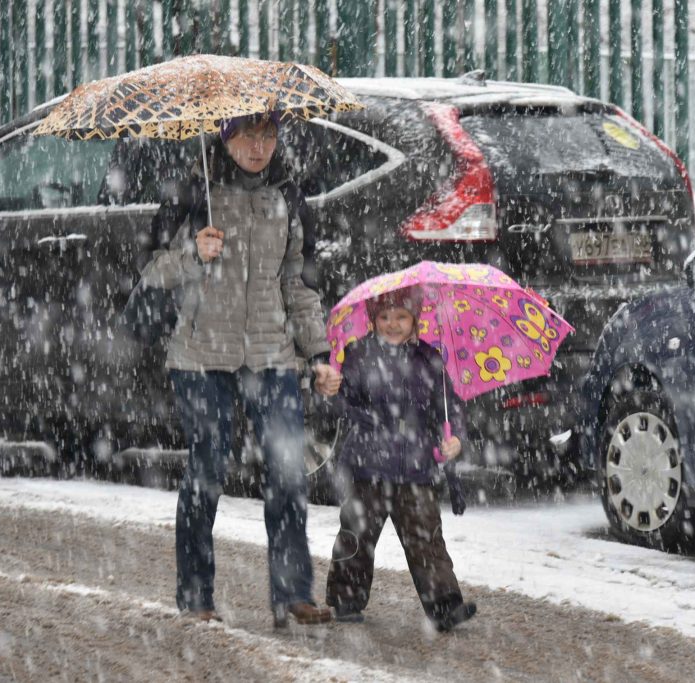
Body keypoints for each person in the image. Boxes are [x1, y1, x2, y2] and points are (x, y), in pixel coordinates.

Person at [139, 113, 342, 628]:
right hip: (203, 357)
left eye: (268, 135)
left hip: (272, 354)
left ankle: (293, 593)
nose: (259, 146)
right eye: (248, 135)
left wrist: (318, 354)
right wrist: (193, 253)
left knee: (288, 472)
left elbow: (299, 283)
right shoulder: (194, 192)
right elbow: (151, 270)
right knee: (207, 472)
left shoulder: (288, 196)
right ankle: (196, 597)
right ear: (225, 138)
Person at [326, 286, 477, 632]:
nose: (392, 324)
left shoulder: (430, 359)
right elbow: (341, 402)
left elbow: (449, 407)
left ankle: (443, 605)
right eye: (384, 317)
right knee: (357, 534)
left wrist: (454, 437)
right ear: (373, 319)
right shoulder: (359, 353)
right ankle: (347, 596)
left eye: (401, 317)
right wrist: (339, 398)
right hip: (367, 462)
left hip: (415, 464)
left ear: (415, 319)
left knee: (426, 538)